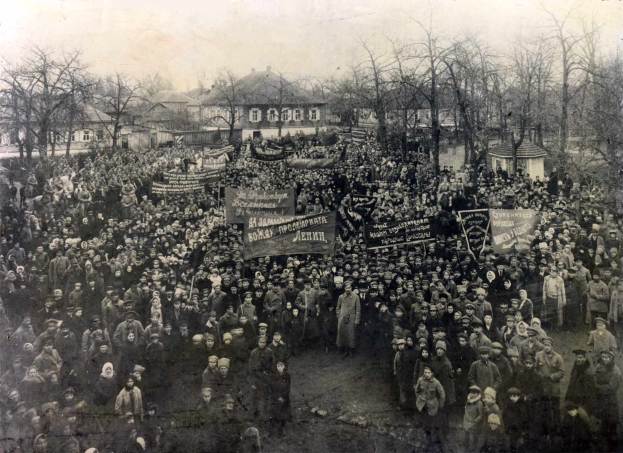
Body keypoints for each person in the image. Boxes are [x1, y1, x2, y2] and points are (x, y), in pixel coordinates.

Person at [593, 350, 621, 452]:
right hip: (601, 399)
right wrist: (595, 383)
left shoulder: (615, 371)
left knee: (612, 421)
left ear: (611, 358)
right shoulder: (599, 366)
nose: (605, 359)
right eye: (603, 357)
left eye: (607, 357)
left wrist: (598, 387)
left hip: (610, 400)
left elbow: (612, 387)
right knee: (603, 420)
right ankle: (603, 444)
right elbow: (594, 375)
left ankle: (613, 446)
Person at [414, 364, 446, 451]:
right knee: (425, 423)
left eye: (428, 372)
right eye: (425, 372)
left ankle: (434, 443)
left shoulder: (436, 382)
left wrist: (440, 405)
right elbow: (417, 390)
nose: (427, 374)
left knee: (433, 424)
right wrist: (419, 399)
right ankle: (427, 440)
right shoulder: (420, 380)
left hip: (432, 407)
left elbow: (442, 395)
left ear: (432, 374)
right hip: (422, 406)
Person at [336, 281, 361, 358]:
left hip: (351, 319)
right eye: (346, 288)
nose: (348, 289)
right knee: (343, 334)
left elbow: (358, 310)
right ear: (344, 288)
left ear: (351, 288)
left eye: (349, 287)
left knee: (351, 335)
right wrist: (339, 316)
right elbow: (337, 308)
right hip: (342, 319)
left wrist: (356, 320)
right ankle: (345, 350)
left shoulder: (356, 297)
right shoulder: (341, 297)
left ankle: (351, 350)